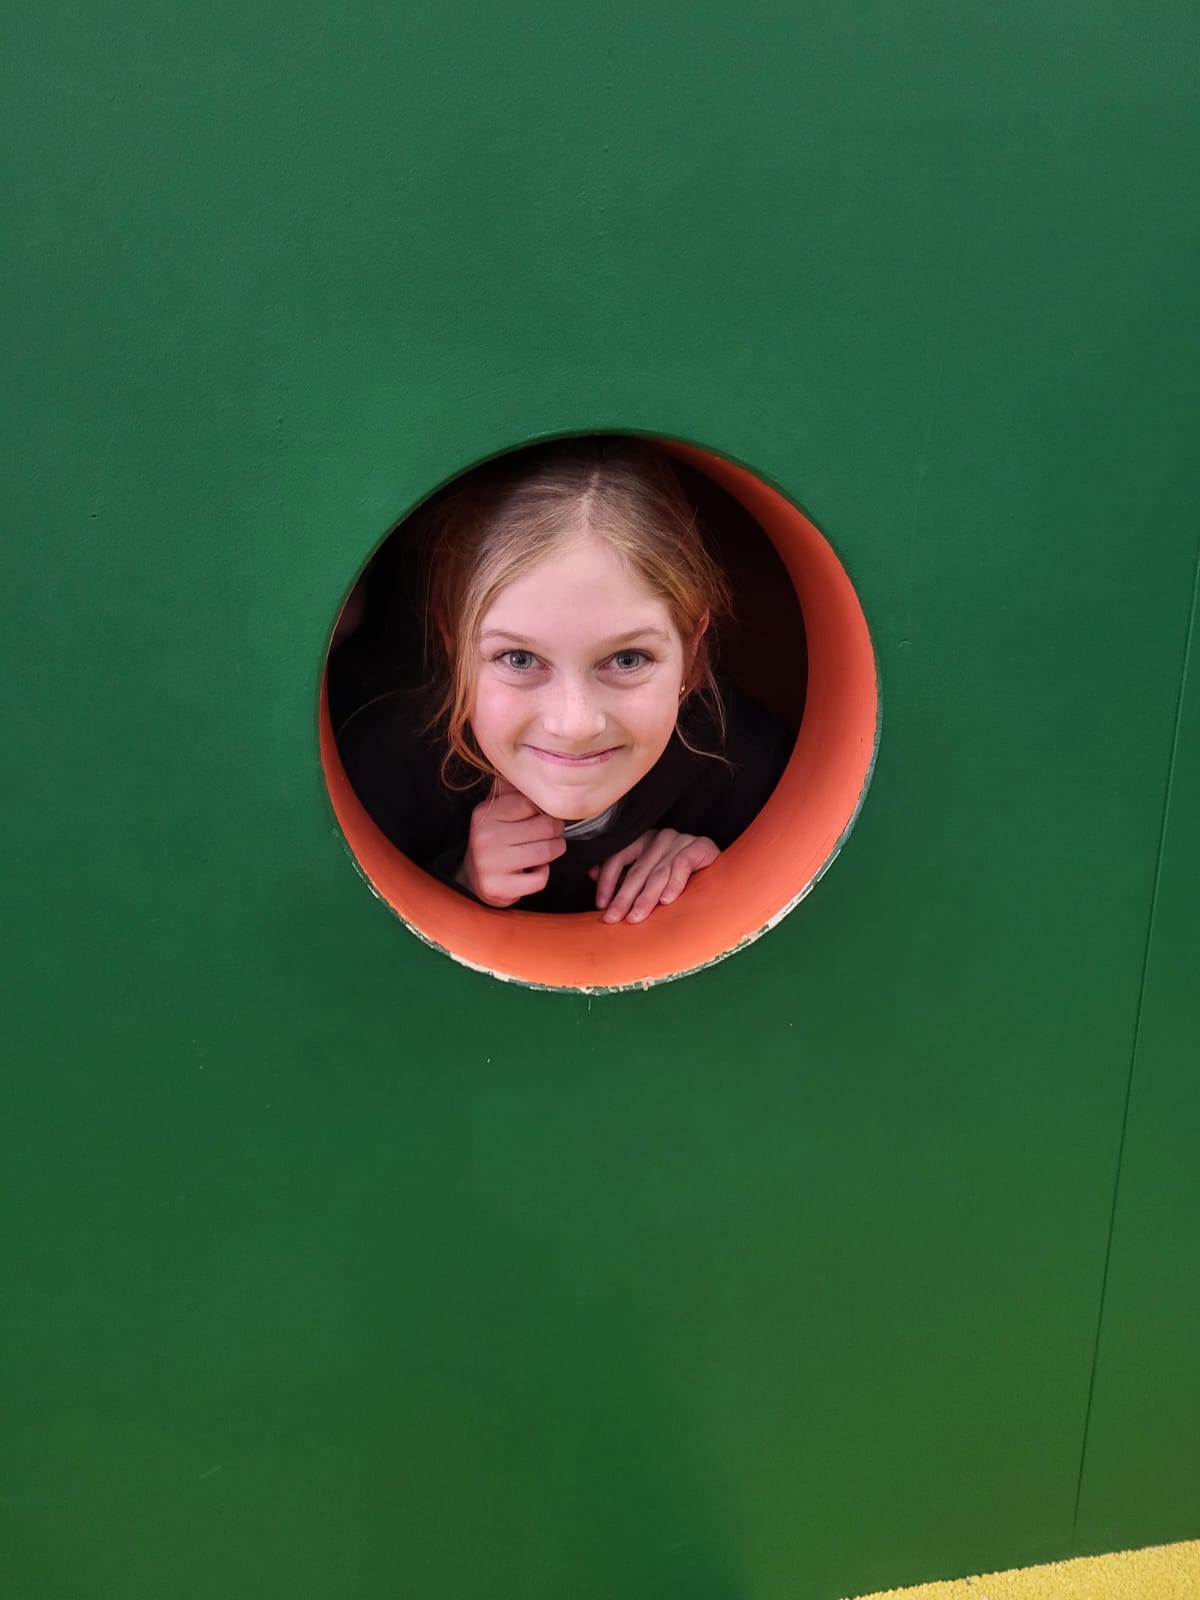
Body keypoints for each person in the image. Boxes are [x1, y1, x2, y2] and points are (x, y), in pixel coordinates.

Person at [334, 438, 796, 921]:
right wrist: (460, 883)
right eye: (519, 658)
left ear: (692, 646)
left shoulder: (736, 761)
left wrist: (718, 871)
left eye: (627, 659)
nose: (575, 725)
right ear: (455, 649)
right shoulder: (388, 770)